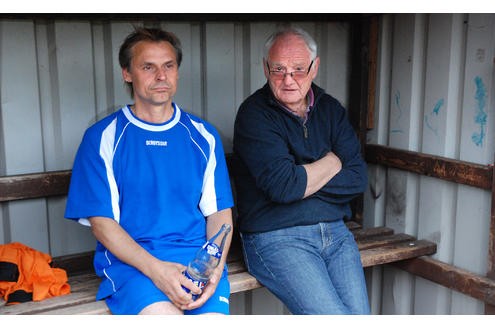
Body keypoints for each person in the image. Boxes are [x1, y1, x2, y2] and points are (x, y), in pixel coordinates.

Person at [64, 27, 234, 315]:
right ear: (127, 73)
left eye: (169, 66)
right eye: (148, 67)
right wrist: (158, 271)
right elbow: (102, 223)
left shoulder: (203, 136)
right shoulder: (103, 137)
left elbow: (220, 215)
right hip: (133, 266)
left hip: (196, 264)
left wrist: (214, 269)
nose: (161, 76)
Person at [233, 26, 370, 315]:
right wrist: (333, 162)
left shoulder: (330, 109)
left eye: (298, 69)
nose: (288, 80)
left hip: (336, 233)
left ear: (315, 67)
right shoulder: (254, 114)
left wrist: (302, 179)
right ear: (265, 68)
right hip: (276, 236)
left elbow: (357, 178)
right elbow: (284, 187)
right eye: (278, 70)